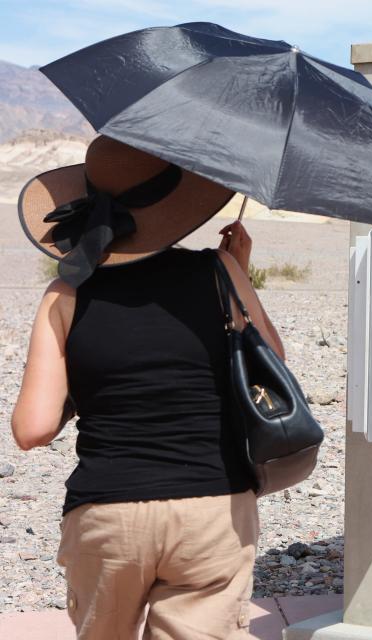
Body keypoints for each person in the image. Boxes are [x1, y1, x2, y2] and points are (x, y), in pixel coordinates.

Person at [10, 135, 284, 639]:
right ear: (175, 204)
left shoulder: (66, 292)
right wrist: (236, 276)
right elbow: (273, 363)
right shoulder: (218, 270)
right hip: (214, 508)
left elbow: (32, 429)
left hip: (107, 512)